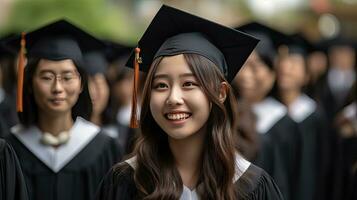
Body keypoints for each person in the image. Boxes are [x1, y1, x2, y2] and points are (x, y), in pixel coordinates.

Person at [96, 5, 283, 200]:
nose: (173, 98)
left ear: (221, 92)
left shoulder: (251, 186)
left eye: (188, 83)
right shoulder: (125, 182)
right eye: (160, 85)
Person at [4, 19, 121, 200]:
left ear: (82, 84)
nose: (57, 88)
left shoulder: (106, 148)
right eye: (46, 77)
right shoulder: (10, 148)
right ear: (29, 84)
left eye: (67, 77)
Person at [235, 22, 301, 200]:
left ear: (273, 72)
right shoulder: (223, 116)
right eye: (241, 64)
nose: (245, 74)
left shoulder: (284, 123)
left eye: (256, 66)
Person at [274, 35, 329, 200]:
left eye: (294, 63)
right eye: (282, 61)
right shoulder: (267, 114)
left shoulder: (314, 116)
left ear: (307, 76)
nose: (286, 67)